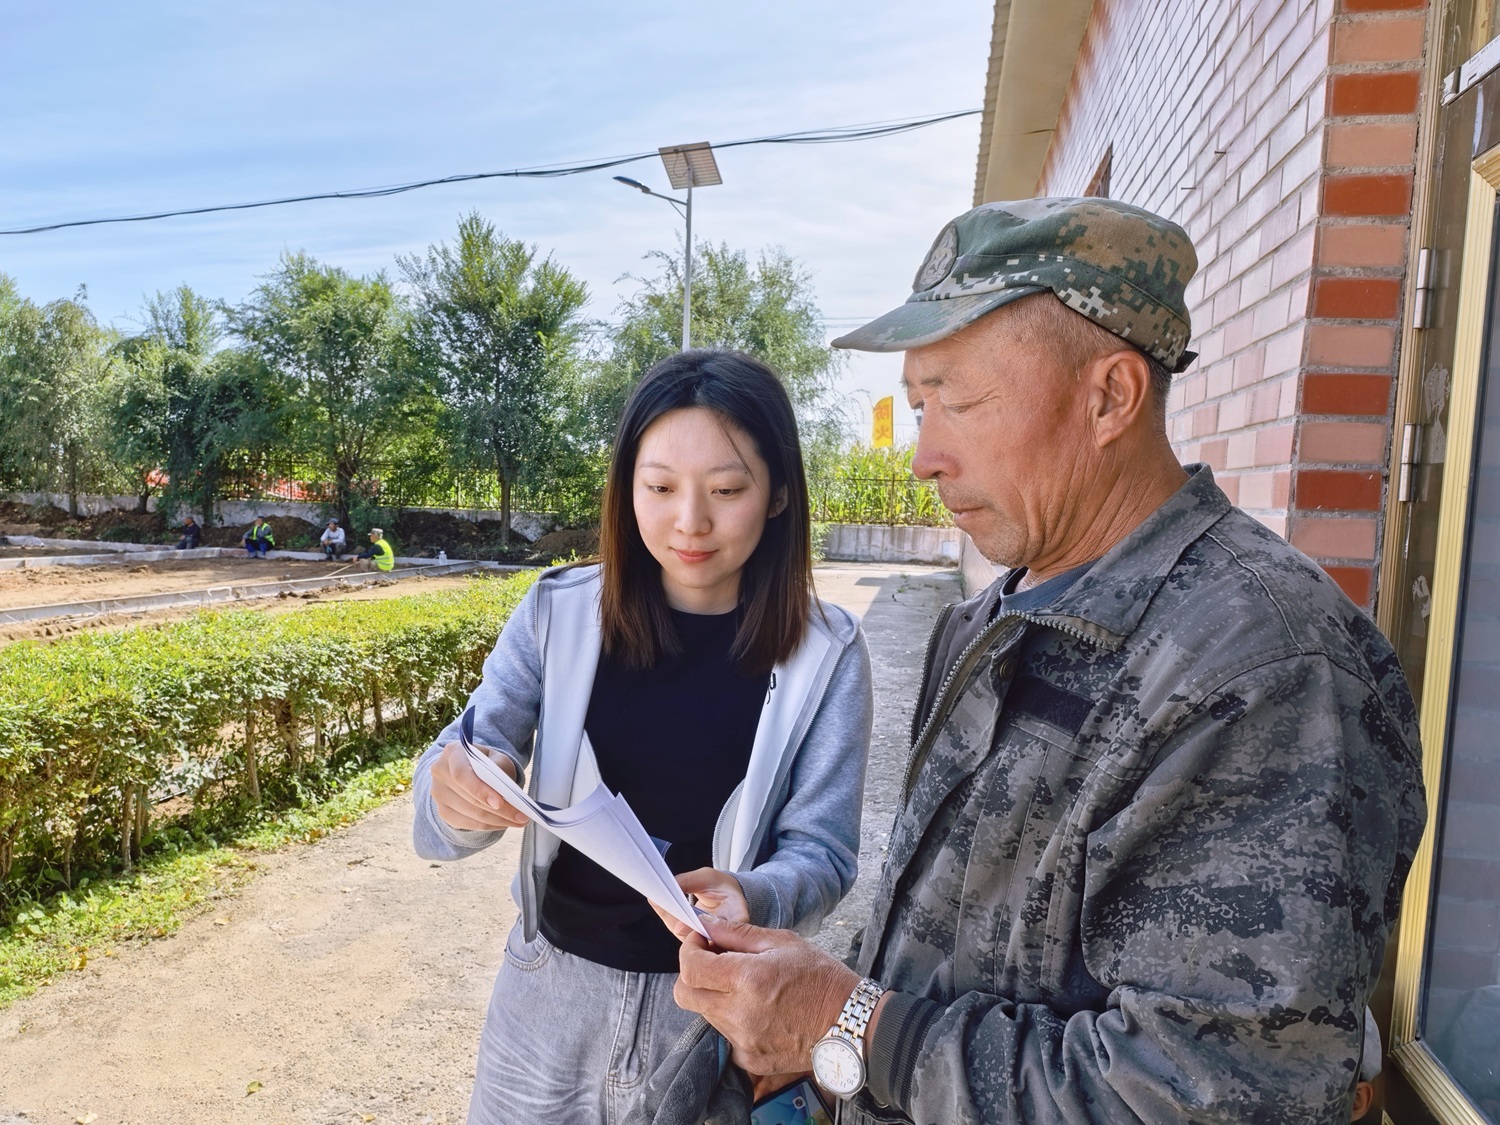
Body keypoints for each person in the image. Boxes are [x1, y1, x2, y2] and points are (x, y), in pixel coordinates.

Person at [655, 199, 1428, 1124]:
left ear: (1109, 396)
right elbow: (947, 942)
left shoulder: (1261, 670)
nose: (924, 457)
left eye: (963, 401)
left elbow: (1206, 1097)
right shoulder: (990, 616)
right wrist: (810, 1026)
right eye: (917, 406)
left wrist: (848, 1022)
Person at [412, 350, 874, 1125]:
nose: (689, 521)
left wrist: (754, 893)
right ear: (627, 490)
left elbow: (823, 852)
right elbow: (455, 775)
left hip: (709, 1016)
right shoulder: (559, 613)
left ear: (780, 493)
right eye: (658, 487)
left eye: (726, 490)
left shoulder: (825, 653)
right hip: (544, 1002)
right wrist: (459, 788)